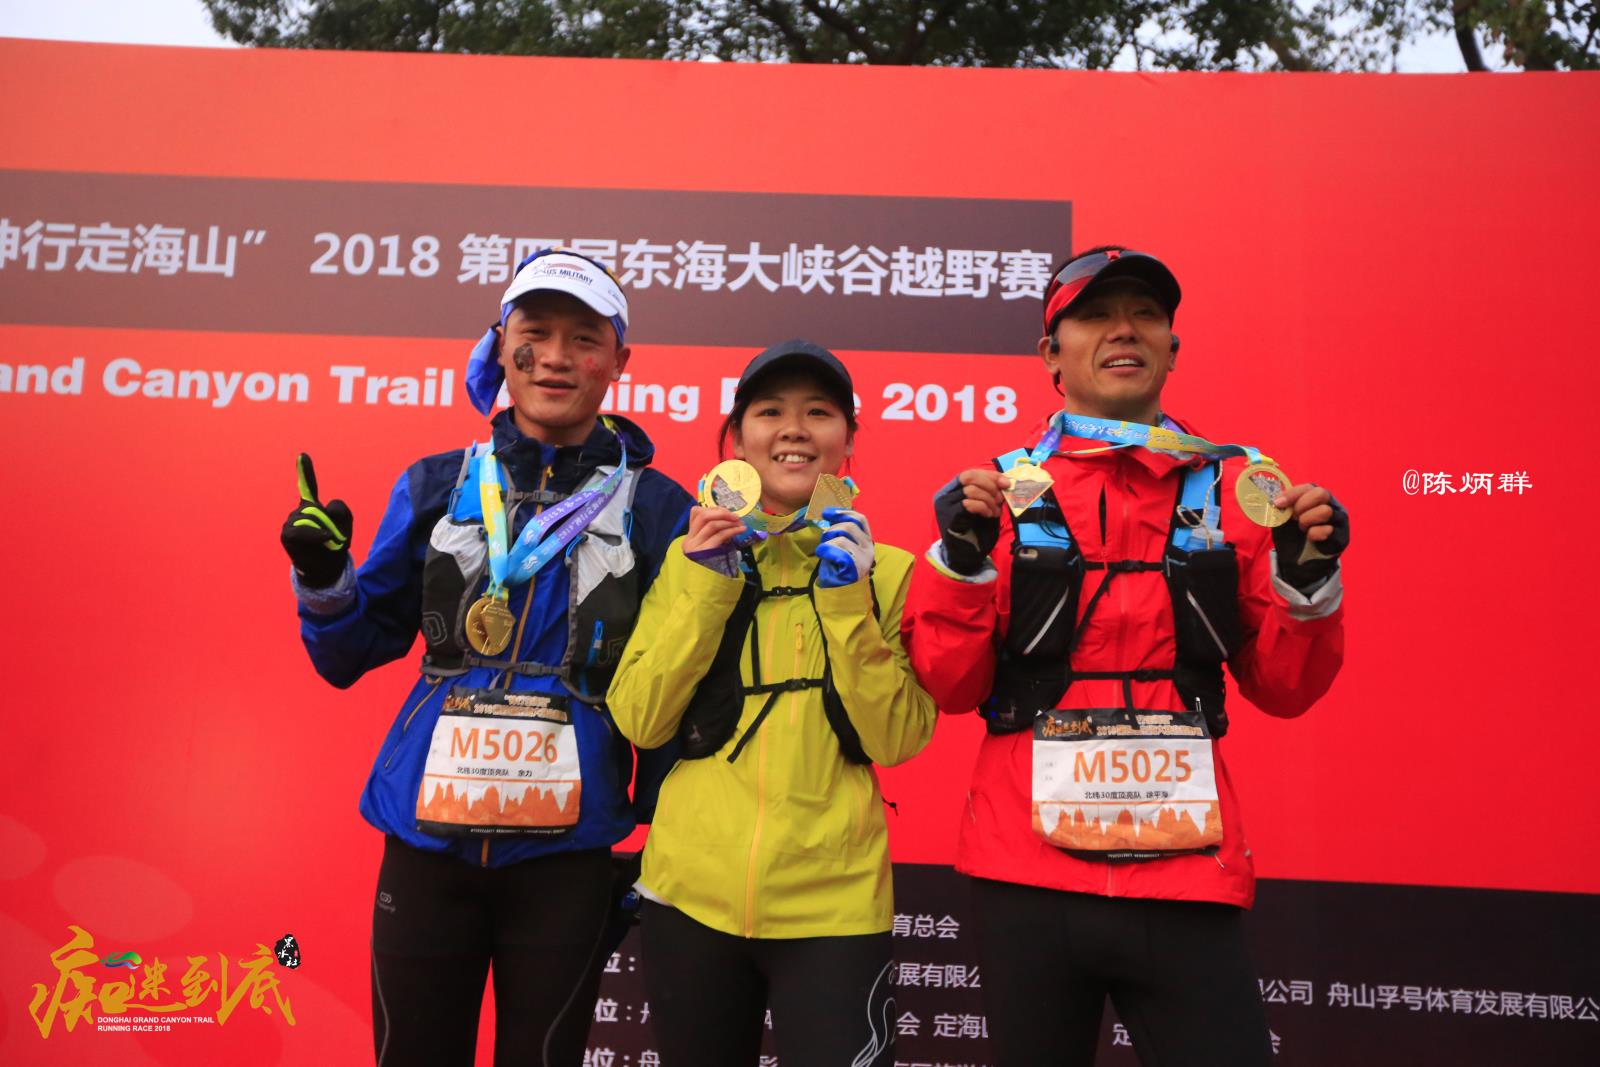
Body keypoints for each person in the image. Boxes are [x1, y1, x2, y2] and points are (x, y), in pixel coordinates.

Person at [902, 246, 1349, 1066]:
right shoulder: (999, 491)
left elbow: (1286, 686)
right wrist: (959, 564)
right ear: (1051, 354)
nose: (1123, 330)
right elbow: (950, 684)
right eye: (1095, 315)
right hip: (1025, 872)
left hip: (1186, 872)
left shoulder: (1238, 491)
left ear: (1172, 348)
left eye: (1145, 313)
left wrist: (1309, 579)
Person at [279, 249, 693, 1067]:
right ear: (501, 344)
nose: (556, 357)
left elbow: (675, 680)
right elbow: (351, 649)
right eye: (535, 332)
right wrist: (323, 579)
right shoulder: (436, 484)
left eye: (584, 338)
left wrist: (662, 836)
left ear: (620, 361)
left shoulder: (658, 507)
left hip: (566, 857)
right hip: (427, 845)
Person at [607, 339, 937, 1067]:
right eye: (769, 412)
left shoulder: (891, 571)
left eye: (818, 412)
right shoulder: (688, 560)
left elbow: (899, 739)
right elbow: (640, 719)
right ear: (736, 441)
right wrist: (708, 583)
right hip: (688, 895)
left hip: (836, 906)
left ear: (848, 442)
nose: (793, 429)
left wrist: (847, 603)